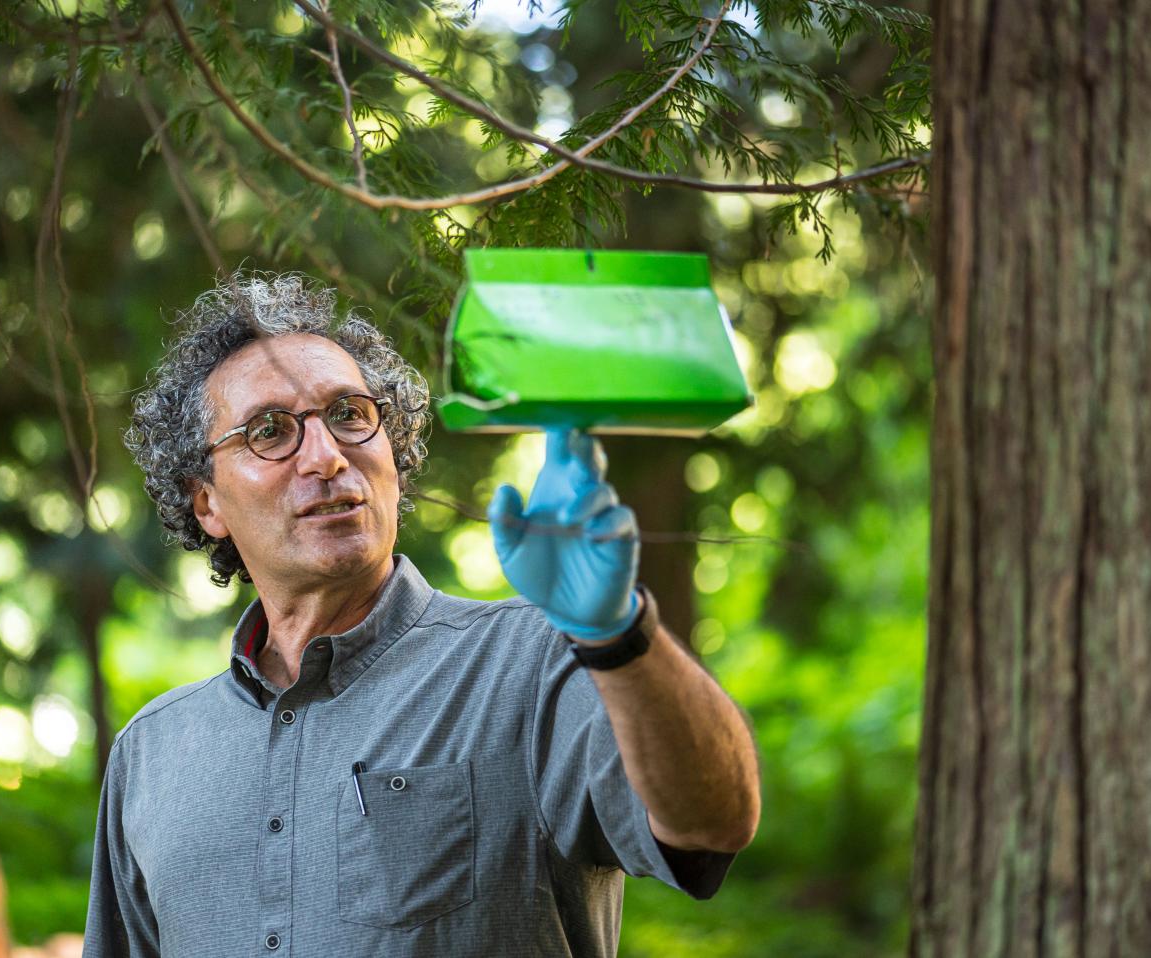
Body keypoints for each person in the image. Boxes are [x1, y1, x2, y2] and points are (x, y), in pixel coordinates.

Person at [83, 272, 760, 957]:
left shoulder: (536, 663)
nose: (326, 456)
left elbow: (714, 824)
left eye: (350, 415)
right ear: (208, 504)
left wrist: (617, 634)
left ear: (395, 457)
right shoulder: (151, 752)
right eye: (271, 431)